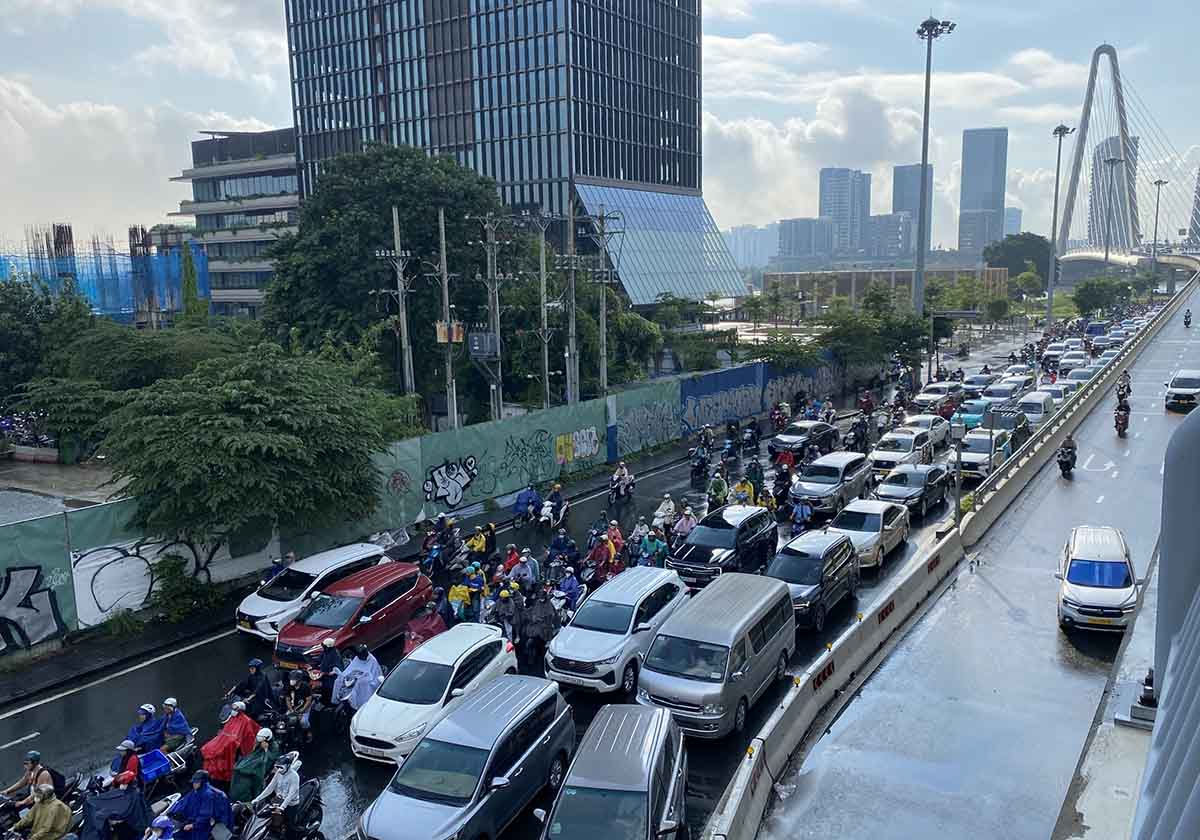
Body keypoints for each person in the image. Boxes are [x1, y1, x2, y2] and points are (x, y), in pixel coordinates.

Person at [167, 771, 232, 840]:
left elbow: (205, 815)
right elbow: (183, 802)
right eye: (193, 782)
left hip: (210, 824)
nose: (194, 784)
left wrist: (193, 825)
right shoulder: (197, 791)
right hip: (196, 821)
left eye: (196, 782)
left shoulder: (208, 795)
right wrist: (171, 811)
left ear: (202, 782)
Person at [228, 730, 279, 805]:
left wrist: (266, 749)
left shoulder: (274, 746)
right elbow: (253, 752)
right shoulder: (259, 742)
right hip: (254, 761)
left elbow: (270, 758)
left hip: (263, 765)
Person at [250, 754, 301, 829]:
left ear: (288, 766)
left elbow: (291, 794)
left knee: (290, 827)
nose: (278, 769)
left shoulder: (294, 776)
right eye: (277, 767)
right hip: (278, 800)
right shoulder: (278, 773)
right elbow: (270, 788)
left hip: (291, 804)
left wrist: (282, 807)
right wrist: (257, 799)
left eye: (281, 767)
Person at [522, 586, 561, 670]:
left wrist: (543, 621)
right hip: (534, 627)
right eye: (540, 598)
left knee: (541, 646)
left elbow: (551, 616)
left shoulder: (549, 605)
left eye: (542, 598)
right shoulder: (537, 603)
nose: (541, 599)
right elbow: (533, 611)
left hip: (544, 628)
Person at [282, 670, 314, 741]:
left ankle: (308, 732)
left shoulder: (306, 686)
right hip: (293, 708)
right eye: (291, 678)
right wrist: (291, 710)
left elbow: (308, 701)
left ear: (299, 680)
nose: (292, 681)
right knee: (285, 719)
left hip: (304, 708)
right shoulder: (289, 687)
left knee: (304, 722)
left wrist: (302, 711)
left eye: (294, 679)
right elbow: (287, 699)